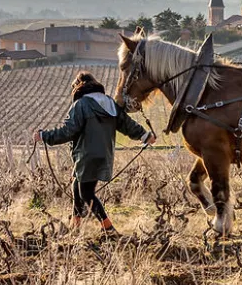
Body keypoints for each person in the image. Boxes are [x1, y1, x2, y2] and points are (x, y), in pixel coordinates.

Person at [32, 72, 156, 234]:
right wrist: (145, 135)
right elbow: (127, 124)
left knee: (86, 193)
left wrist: (43, 136)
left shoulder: (81, 104)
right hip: (104, 155)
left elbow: (68, 131)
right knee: (77, 186)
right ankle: (75, 225)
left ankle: (108, 228)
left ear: (79, 86)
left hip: (86, 155)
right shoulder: (110, 103)